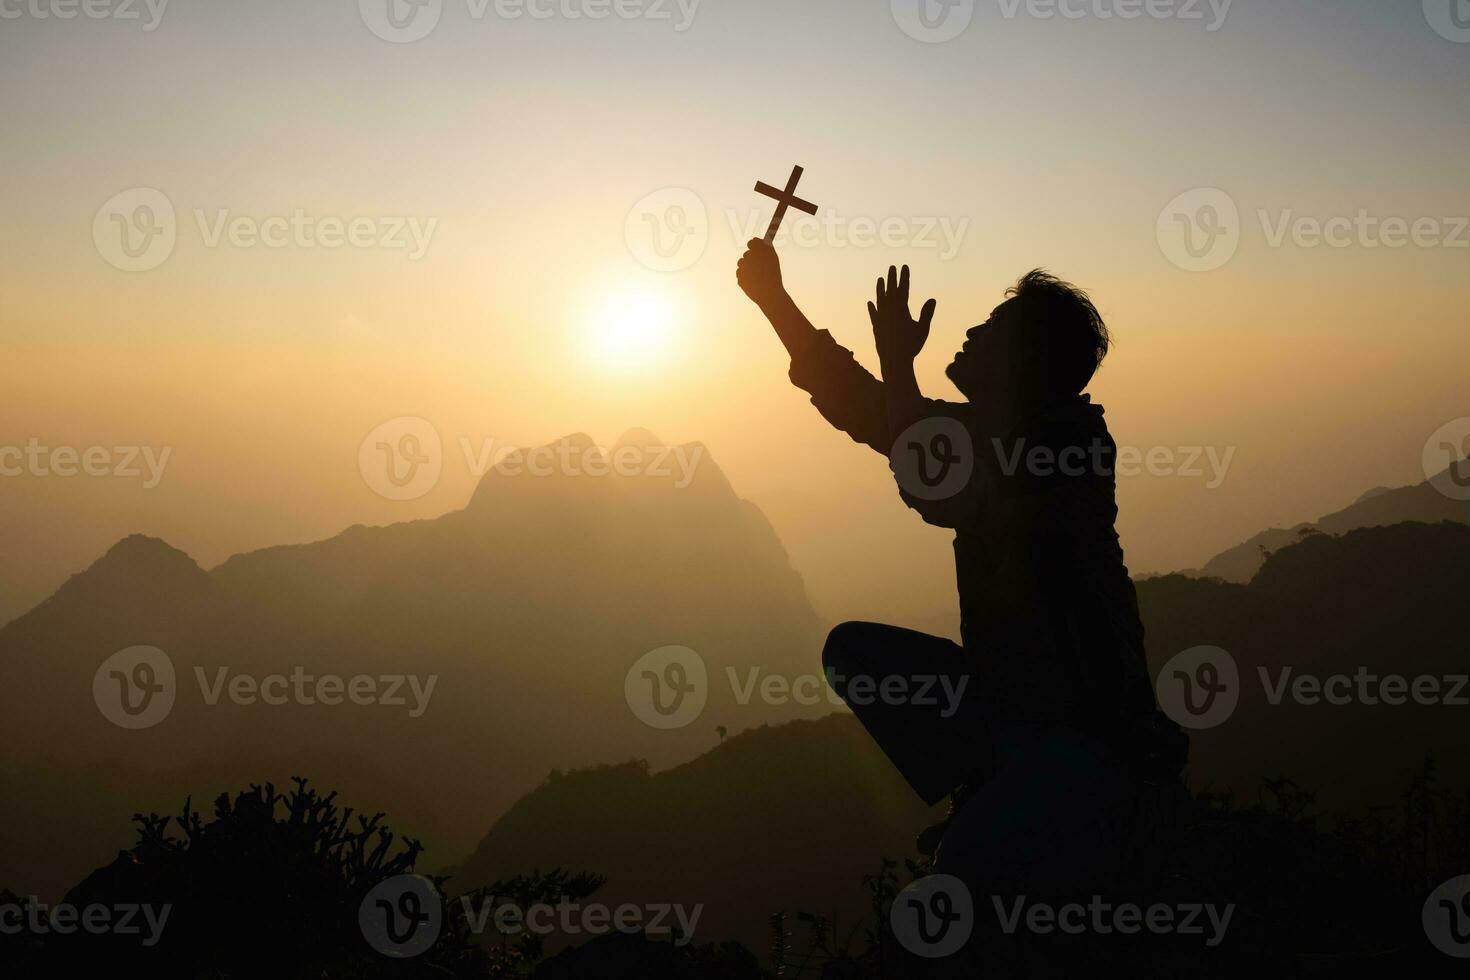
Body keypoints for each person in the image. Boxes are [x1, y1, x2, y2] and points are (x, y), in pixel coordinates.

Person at [736, 239, 1186, 895]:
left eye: (995, 330)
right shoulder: (990, 432)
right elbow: (868, 406)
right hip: (1003, 703)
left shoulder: (1070, 449)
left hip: (1082, 735)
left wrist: (897, 362)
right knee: (855, 653)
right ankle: (983, 782)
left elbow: (936, 488)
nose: (973, 332)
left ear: (1025, 363)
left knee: (963, 879)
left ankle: (1105, 818)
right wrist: (774, 300)